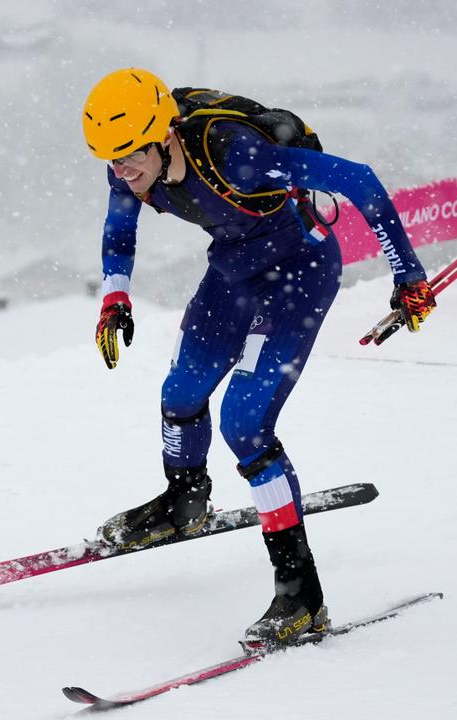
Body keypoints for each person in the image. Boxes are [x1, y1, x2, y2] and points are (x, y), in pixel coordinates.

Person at [80, 67, 435, 650]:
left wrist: (408, 275)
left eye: (129, 156)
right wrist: (114, 295)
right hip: (235, 268)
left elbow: (359, 179)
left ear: (163, 134)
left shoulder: (237, 155)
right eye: (110, 159)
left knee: (244, 423)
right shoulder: (131, 162)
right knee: (180, 392)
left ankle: (301, 596)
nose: (121, 171)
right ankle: (184, 501)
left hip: (299, 272)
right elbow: (120, 227)